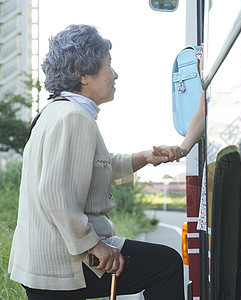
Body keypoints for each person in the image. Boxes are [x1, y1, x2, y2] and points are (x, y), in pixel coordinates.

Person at [8, 24, 184, 300]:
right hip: (64, 264)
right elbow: (55, 194)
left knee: (161, 263)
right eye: (108, 65)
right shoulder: (74, 118)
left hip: (41, 263)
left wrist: (145, 158)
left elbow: (94, 168)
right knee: (167, 264)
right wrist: (94, 245)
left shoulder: (54, 112)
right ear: (83, 74)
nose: (115, 74)